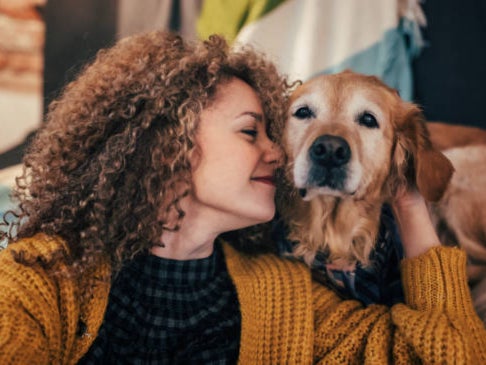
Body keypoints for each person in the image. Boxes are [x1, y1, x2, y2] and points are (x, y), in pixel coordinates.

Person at [0, 31, 485, 365]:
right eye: (252, 131)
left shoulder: (290, 299)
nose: (278, 151)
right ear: (169, 145)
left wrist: (409, 200)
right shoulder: (44, 278)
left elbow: (452, 354)